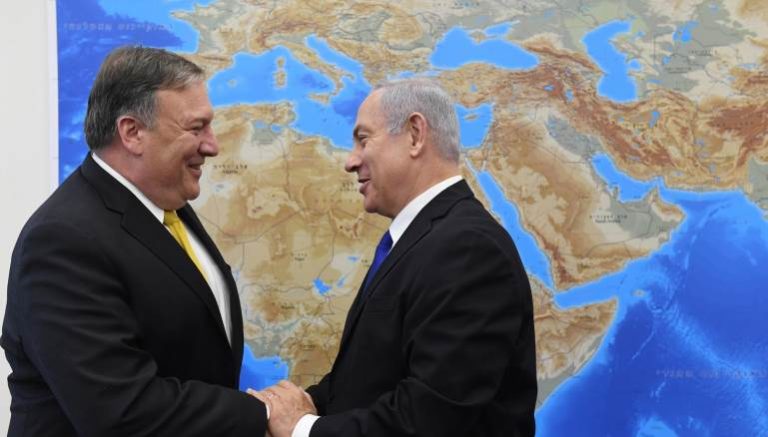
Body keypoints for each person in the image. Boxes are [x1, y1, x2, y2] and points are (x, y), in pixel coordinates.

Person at [1, 46, 273, 436]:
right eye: (196, 128)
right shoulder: (62, 241)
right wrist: (264, 413)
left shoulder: (166, 204)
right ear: (132, 133)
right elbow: (120, 410)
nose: (212, 146)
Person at [259, 79, 537, 436]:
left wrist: (302, 429)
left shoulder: (469, 249)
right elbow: (366, 379)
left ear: (415, 135)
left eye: (363, 140)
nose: (350, 161)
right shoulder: (421, 241)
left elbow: (430, 418)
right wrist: (293, 406)